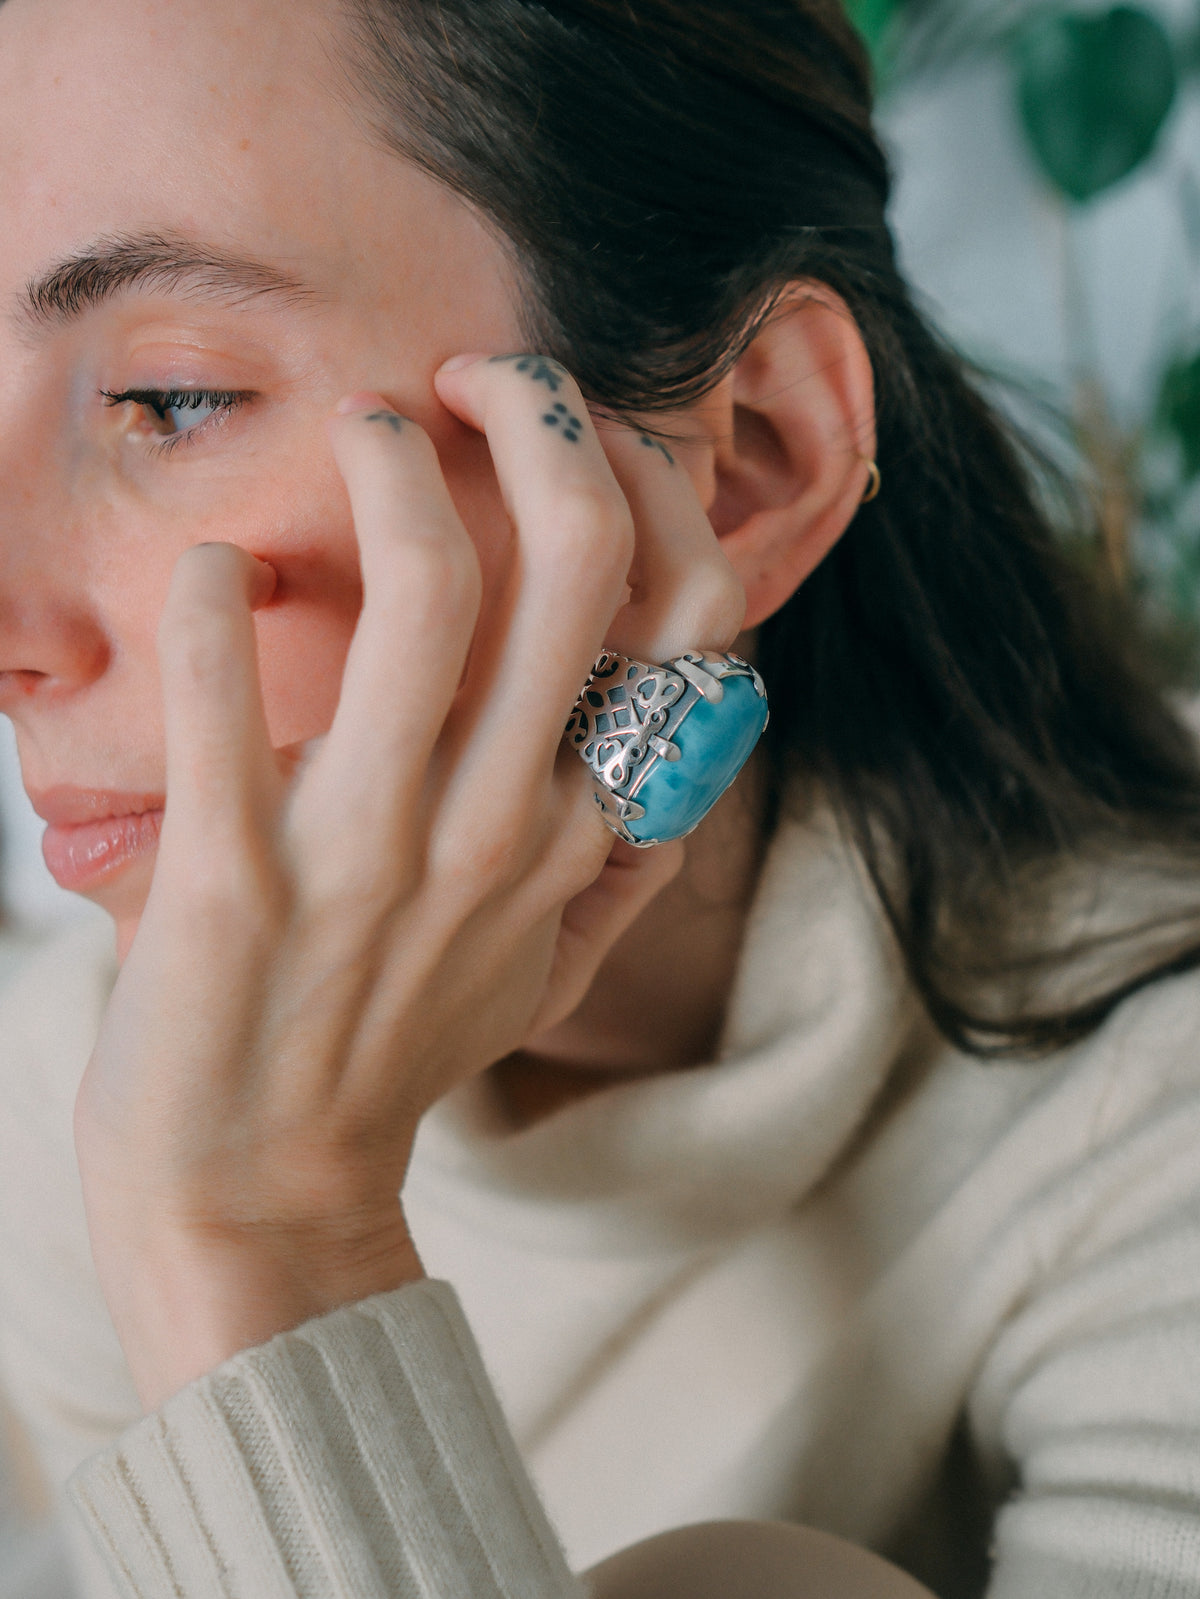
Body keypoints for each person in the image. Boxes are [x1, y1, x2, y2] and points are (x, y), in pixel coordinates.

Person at [2, 0, 1200, 1595]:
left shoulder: (1150, 1107)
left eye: (169, 398)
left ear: (748, 459)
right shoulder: (84, 1091)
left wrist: (267, 1241)